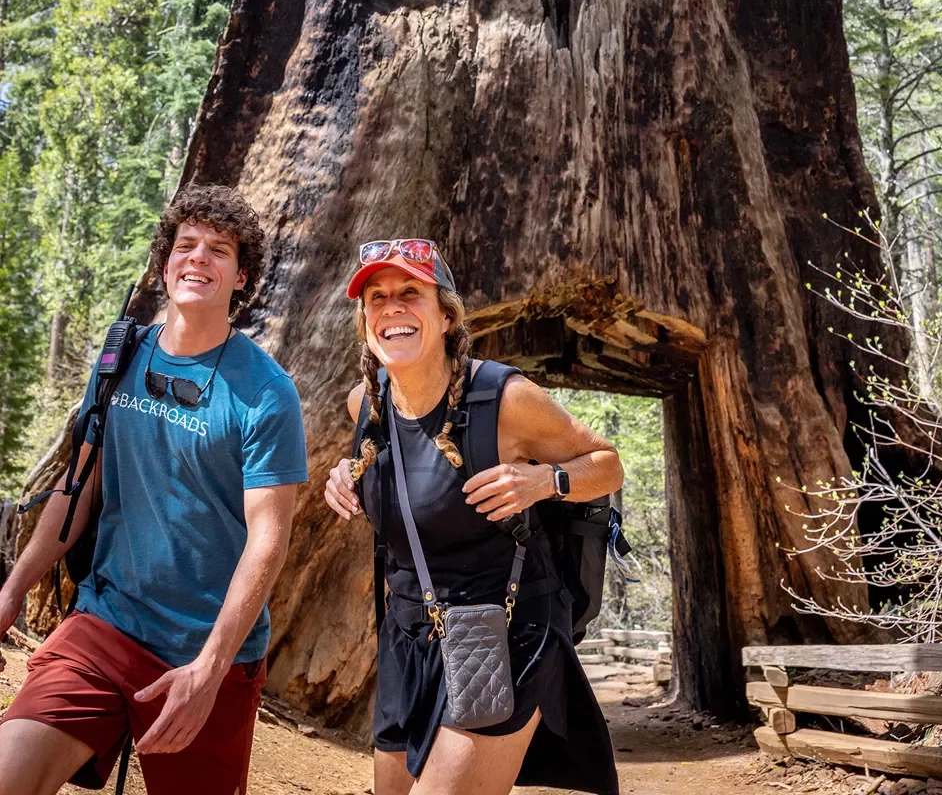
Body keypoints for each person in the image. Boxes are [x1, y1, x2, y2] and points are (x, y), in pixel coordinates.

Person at [0, 184, 308, 795]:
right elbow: (76, 488)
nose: (198, 258)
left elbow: (268, 539)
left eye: (219, 250)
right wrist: (12, 591)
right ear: (165, 263)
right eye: (186, 245)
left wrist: (210, 670)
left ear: (242, 277)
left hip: (209, 654)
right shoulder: (121, 358)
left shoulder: (266, 393)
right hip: (106, 624)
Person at [324, 237, 622, 795]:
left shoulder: (504, 398)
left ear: (445, 315)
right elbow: (403, 480)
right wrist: (349, 475)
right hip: (408, 638)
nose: (392, 307)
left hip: (505, 632)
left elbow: (607, 465)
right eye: (377, 297)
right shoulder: (365, 402)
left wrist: (546, 481)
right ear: (364, 320)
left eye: (411, 293)